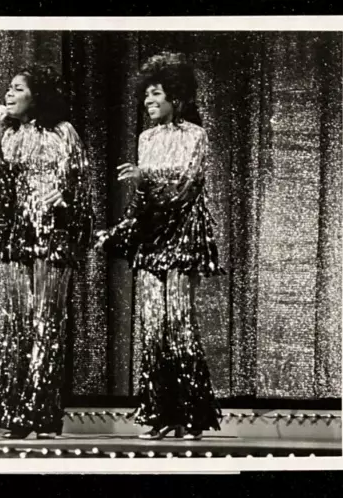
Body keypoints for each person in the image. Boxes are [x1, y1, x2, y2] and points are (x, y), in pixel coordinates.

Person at [96, 52, 223, 440]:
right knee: (154, 326)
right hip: (151, 238)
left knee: (179, 323)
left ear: (176, 97)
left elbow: (186, 185)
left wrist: (145, 175)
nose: (148, 102)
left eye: (155, 95)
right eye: (146, 96)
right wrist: (120, 229)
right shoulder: (145, 138)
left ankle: (190, 416)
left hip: (183, 235)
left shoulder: (195, 135)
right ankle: (160, 413)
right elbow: (144, 198)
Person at [0, 64, 94, 439]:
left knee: (47, 324)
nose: (8, 95)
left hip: (54, 236)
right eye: (8, 90)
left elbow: (83, 188)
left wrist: (65, 200)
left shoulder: (64, 132)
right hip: (18, 236)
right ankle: (14, 412)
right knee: (16, 322)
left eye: (17, 89)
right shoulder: (7, 135)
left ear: (36, 96)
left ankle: (42, 414)